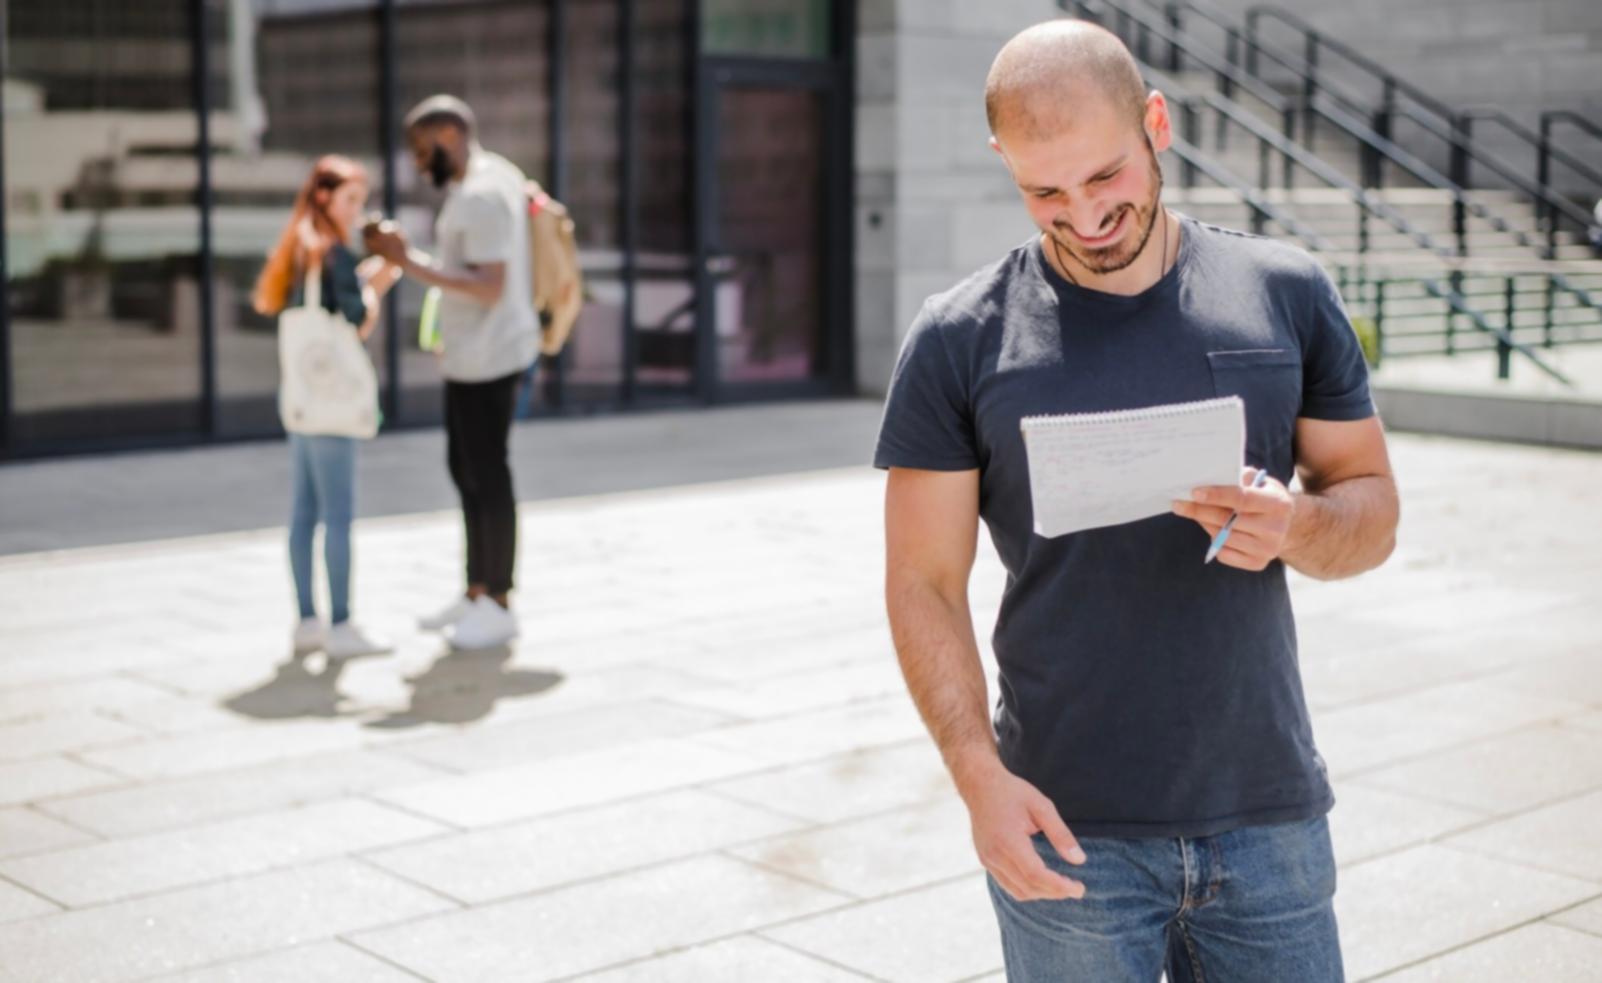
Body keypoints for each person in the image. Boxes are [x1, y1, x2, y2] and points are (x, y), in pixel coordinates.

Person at [876, 21, 1400, 983]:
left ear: (1155, 122)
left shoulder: (1284, 293)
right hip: (1065, 827)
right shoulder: (958, 338)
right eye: (1044, 191)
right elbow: (922, 581)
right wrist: (976, 779)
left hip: (1267, 815)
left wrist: (1298, 526)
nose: (1081, 215)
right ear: (1005, 164)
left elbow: (1371, 509)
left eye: (1105, 177)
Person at [364, 95, 537, 651]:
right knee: (466, 470)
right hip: (472, 354)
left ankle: (499, 602)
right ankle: (477, 590)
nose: (417, 164)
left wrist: (405, 260)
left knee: (487, 475)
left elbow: (489, 286)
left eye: (422, 150)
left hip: (490, 357)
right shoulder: (490, 178)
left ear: (449, 137)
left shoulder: (484, 193)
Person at [252, 155, 401, 658]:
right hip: (331, 403)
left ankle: (307, 622)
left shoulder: (298, 249)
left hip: (300, 399)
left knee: (303, 512)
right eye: (351, 200)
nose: (358, 211)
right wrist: (376, 285)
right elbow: (356, 321)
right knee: (338, 514)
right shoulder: (333, 254)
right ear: (324, 197)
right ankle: (341, 625)